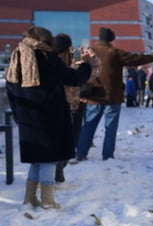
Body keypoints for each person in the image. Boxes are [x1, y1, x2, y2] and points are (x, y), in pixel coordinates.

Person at [6, 27, 93, 208]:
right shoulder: (48, 58)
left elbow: (10, 90)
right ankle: (47, 200)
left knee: (36, 159)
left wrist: (18, 116)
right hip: (49, 116)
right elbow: (73, 78)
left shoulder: (17, 56)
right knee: (49, 159)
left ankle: (30, 198)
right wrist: (86, 64)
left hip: (27, 117)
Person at [76, 27, 153, 161]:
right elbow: (135, 59)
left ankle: (81, 153)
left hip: (93, 96)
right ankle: (107, 155)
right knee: (110, 128)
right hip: (112, 97)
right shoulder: (114, 53)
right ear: (111, 40)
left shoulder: (90, 52)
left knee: (88, 126)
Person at [53, 33, 91, 184]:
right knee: (69, 142)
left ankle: (59, 167)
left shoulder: (56, 61)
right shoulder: (61, 64)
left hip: (70, 106)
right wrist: (87, 63)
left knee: (66, 143)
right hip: (69, 107)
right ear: (67, 48)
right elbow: (79, 79)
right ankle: (58, 168)